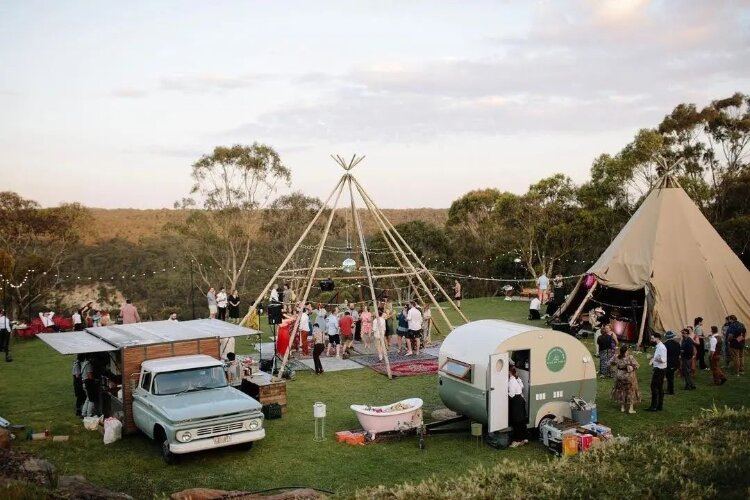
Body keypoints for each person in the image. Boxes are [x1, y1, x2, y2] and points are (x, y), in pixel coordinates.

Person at [610, 345, 640, 413]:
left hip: (619, 376)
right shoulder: (630, 357)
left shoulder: (616, 357)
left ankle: (622, 407)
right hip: (628, 377)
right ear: (626, 351)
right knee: (630, 391)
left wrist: (615, 365)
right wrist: (632, 367)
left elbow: (610, 363)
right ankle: (630, 409)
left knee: (621, 391)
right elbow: (637, 365)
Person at [646, 332, 667, 412]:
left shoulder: (661, 347)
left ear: (657, 338)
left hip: (659, 369)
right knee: (659, 387)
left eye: (652, 338)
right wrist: (653, 357)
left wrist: (655, 358)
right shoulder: (658, 347)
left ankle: (654, 406)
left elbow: (663, 360)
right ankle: (659, 406)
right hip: (659, 368)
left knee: (654, 387)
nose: (651, 339)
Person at [508, 366, 528, 448]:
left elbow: (512, 394)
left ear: (509, 372)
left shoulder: (511, 381)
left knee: (516, 421)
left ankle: (517, 440)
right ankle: (524, 438)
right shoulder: (517, 378)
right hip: (521, 399)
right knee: (522, 420)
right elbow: (522, 386)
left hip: (516, 401)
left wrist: (504, 394)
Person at [663, 330, 680, 394]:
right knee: (671, 376)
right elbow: (678, 353)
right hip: (675, 362)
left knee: (669, 377)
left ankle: (670, 390)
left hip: (668, 363)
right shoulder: (677, 344)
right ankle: (669, 389)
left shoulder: (665, 344)